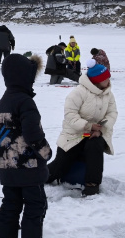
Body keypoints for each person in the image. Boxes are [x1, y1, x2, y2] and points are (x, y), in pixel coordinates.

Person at [0, 53, 51, 238]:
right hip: (29, 167)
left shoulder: (3, 101)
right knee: (35, 205)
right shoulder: (26, 102)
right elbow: (33, 134)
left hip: (8, 167)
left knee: (10, 204)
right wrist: (45, 152)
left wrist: (7, 148)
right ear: (25, 78)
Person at [47, 63, 117, 197]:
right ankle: (39, 177)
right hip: (75, 134)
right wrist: (88, 126)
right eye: (106, 78)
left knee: (95, 144)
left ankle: (92, 185)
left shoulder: (109, 94)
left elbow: (112, 114)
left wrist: (100, 130)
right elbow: (70, 115)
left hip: (97, 133)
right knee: (60, 165)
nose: (109, 80)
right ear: (96, 80)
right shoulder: (78, 93)